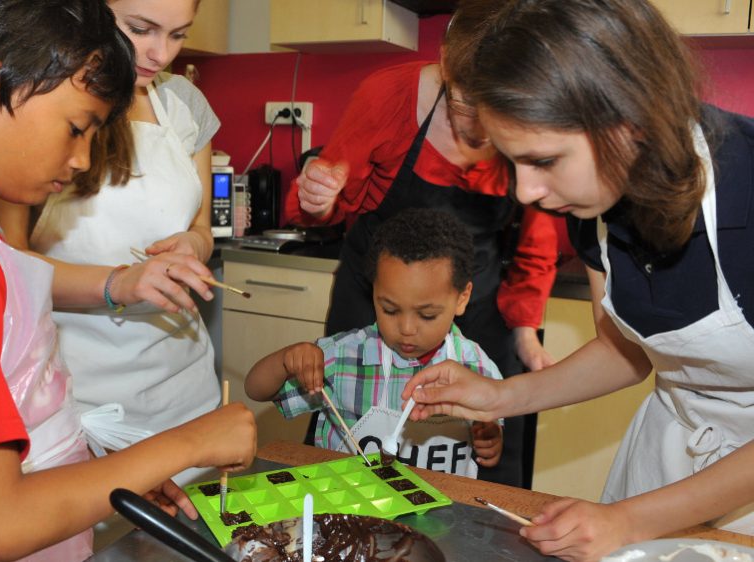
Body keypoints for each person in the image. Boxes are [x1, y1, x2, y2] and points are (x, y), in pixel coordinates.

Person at [0, 1, 256, 560]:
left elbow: (24, 410)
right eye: (76, 129)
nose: (82, 159)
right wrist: (189, 442)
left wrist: (111, 477)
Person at [404, 0, 754, 559]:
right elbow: (626, 352)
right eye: (514, 163)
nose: (524, 192)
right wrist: (499, 396)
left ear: (627, 120)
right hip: (669, 454)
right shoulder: (597, 208)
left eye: (543, 161)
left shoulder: (748, 191)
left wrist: (629, 521)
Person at [284, 0, 558, 488]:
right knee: (349, 432)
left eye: (494, 109)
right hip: (376, 292)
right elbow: (327, 195)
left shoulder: (531, 112)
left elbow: (537, 235)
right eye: (463, 104)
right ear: (445, 64)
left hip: (478, 302)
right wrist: (318, 197)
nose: (477, 127)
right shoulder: (387, 94)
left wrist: (524, 329)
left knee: (485, 447)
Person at [0, 0, 223, 484]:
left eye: (179, 35)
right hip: (83, 399)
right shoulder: (42, 96)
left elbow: (202, 226)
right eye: (141, 29)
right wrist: (119, 283)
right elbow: (6, 265)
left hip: (184, 387)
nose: (160, 54)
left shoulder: (182, 101)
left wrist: (192, 247)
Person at [246, 209, 503, 477]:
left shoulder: (477, 368)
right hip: (346, 508)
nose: (406, 329)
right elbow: (256, 389)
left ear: (462, 298)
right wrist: (286, 360)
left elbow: (490, 435)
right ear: (374, 292)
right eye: (390, 310)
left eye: (427, 315)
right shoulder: (342, 357)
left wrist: (491, 439)